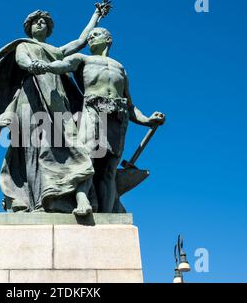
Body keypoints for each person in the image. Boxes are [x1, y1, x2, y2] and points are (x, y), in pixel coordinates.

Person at [0, 2, 111, 214]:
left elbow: (81, 41)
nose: (40, 23)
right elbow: (22, 61)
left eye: (44, 21)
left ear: (48, 28)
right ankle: (30, 202)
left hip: (55, 99)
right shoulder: (23, 45)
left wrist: (96, 16)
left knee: (64, 143)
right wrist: (32, 66)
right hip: (29, 99)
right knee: (29, 148)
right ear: (29, 28)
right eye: (36, 21)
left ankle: (60, 196)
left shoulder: (56, 51)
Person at [31, 27, 166, 214]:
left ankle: (107, 212)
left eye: (96, 35)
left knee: (109, 169)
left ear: (108, 39)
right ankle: (82, 201)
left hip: (118, 116)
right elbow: (62, 65)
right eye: (90, 35)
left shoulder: (120, 67)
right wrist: (44, 66)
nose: (91, 38)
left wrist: (148, 120)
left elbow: (130, 105)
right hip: (93, 110)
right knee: (88, 157)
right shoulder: (83, 59)